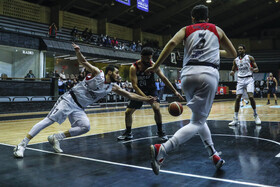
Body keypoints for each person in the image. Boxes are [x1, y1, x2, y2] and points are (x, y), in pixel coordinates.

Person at [13, 43, 156, 158]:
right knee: (49, 120)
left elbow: (131, 96)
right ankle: (22, 145)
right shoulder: (98, 74)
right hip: (69, 100)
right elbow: (83, 61)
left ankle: (56, 137)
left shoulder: (113, 87)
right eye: (117, 72)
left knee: (85, 126)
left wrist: (146, 99)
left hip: (79, 107)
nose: (119, 75)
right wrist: (78, 51)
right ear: (110, 72)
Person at [146, 4, 237, 175]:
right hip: (208, 73)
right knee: (197, 122)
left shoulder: (186, 29)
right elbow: (232, 53)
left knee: (198, 119)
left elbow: (172, 42)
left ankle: (214, 155)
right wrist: (214, 51)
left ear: (193, 18)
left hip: (187, 75)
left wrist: (157, 65)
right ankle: (162, 149)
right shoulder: (217, 30)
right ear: (208, 19)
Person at [117, 47, 184, 141]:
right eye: (148, 58)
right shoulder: (134, 67)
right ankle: (128, 133)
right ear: (142, 57)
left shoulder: (153, 65)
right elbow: (135, 85)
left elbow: (164, 78)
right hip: (140, 91)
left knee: (156, 108)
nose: (150, 60)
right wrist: (145, 98)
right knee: (128, 112)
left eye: (151, 58)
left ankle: (160, 132)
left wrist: (175, 91)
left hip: (151, 90)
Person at [229, 44, 261, 126]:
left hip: (249, 79)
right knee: (237, 98)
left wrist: (253, 69)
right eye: (238, 49)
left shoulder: (249, 58)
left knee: (251, 97)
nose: (239, 50)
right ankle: (235, 118)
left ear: (244, 50)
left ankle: (255, 115)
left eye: (241, 49)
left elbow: (257, 69)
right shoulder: (235, 60)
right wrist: (232, 72)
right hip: (240, 79)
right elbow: (233, 70)